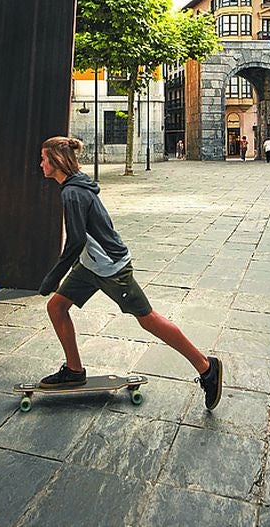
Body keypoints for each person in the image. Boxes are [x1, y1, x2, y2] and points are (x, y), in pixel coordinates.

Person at [36, 136, 223, 410]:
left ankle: (206, 367)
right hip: (91, 264)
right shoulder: (75, 187)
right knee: (57, 307)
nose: (40, 164)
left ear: (56, 161)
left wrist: (53, 277)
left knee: (148, 320)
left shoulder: (72, 192)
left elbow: (75, 240)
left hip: (111, 268)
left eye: (43, 158)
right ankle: (74, 370)